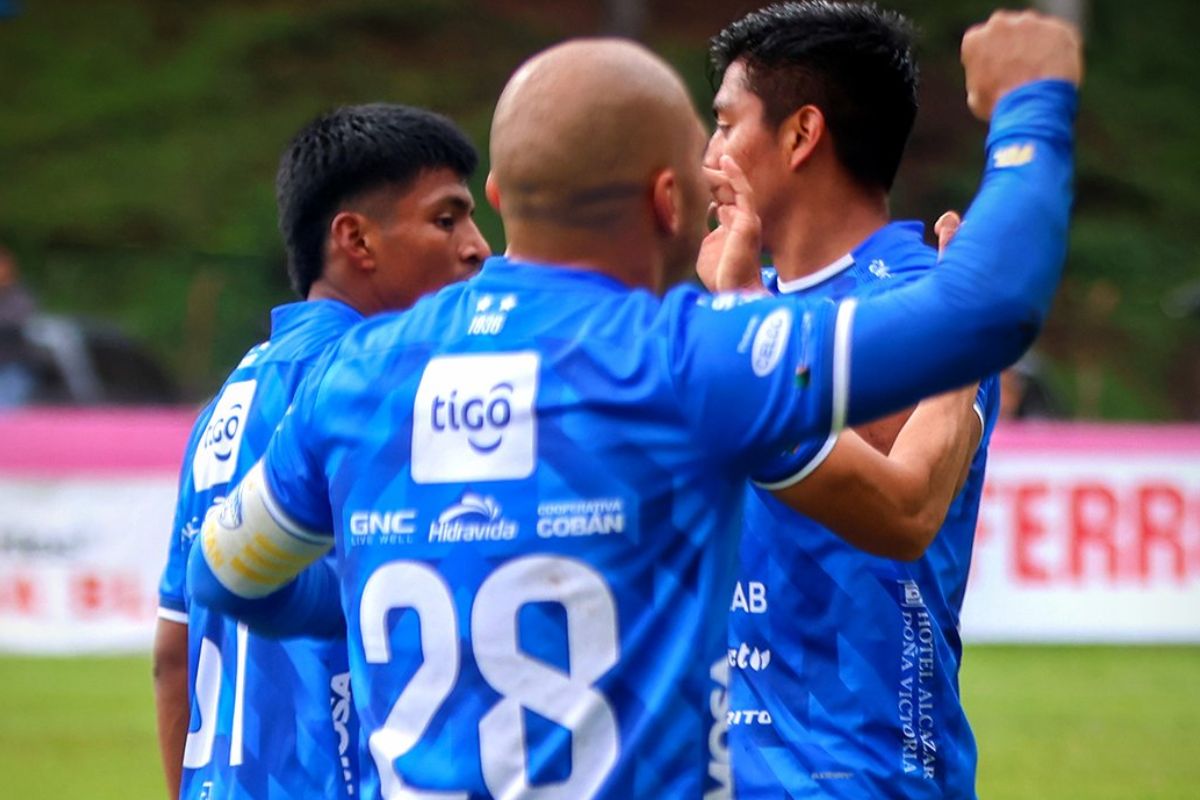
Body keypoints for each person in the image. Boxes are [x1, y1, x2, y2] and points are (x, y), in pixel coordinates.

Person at [189, 12, 1081, 799]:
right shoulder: (677, 361)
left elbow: (224, 575)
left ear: (497, 196)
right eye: (701, 144)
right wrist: (1032, 101)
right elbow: (986, 311)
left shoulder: (361, 375)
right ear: (668, 200)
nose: (712, 163)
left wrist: (370, 597)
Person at [700, 3, 1000, 796]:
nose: (709, 157)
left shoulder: (931, 300)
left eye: (725, 126)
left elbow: (894, 490)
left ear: (801, 134)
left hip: (863, 776)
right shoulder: (726, 299)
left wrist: (745, 318)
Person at [152, 103, 489, 800]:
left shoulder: (227, 402)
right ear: (355, 239)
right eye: (447, 219)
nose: (478, 248)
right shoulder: (385, 396)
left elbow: (171, 654)